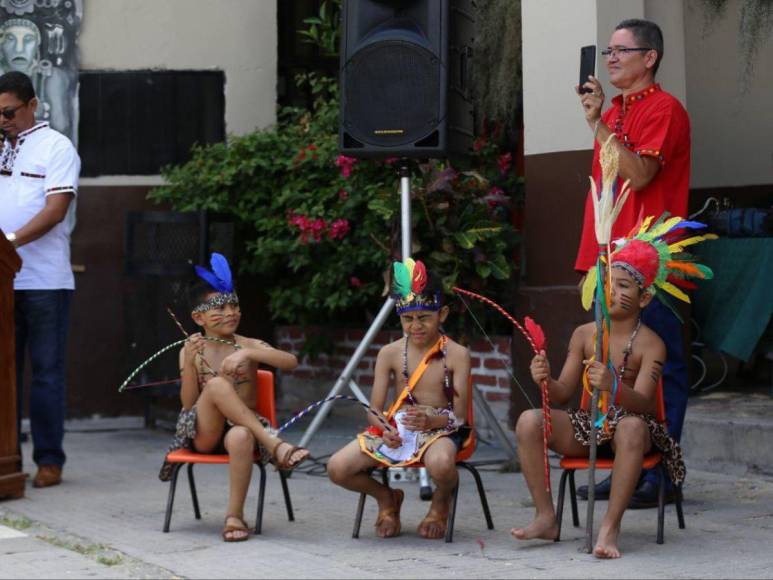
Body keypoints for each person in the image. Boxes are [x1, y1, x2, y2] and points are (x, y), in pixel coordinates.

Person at [512, 213, 714, 558]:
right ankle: (546, 516)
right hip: (587, 425)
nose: (611, 291)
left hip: (632, 429)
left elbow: (648, 406)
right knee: (529, 420)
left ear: (644, 298)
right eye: (608, 282)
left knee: (632, 427)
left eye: (623, 286)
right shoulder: (584, 335)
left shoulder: (652, 344)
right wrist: (544, 379)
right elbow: (562, 394)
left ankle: (609, 527)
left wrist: (613, 386)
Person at [575, 18, 692, 508]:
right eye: (608, 52)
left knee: (659, 364)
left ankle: (663, 472)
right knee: (613, 364)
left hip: (649, 261)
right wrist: (589, 262)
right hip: (608, 259)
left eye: (622, 51)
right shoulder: (617, 109)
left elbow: (640, 175)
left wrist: (597, 124)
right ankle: (625, 466)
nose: (611, 59)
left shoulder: (665, 108)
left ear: (650, 58)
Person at [158, 253, 310, 542]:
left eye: (234, 305)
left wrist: (250, 353)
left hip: (244, 429)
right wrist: (190, 364)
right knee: (215, 387)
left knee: (240, 436)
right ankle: (275, 445)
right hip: (203, 431)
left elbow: (290, 361)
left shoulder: (248, 345)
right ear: (198, 317)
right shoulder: (192, 348)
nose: (230, 313)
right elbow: (188, 403)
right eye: (220, 307)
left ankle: (234, 516)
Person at [327, 260, 472, 540]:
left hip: (440, 429)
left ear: (442, 314)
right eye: (408, 319)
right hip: (397, 428)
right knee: (337, 468)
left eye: (424, 317)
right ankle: (386, 497)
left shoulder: (457, 354)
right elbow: (374, 410)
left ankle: (441, 501)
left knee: (441, 464)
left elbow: (460, 416)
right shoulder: (389, 353)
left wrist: (433, 420)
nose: (415, 326)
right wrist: (385, 428)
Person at [0, 70, 80, 489]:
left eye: (9, 112)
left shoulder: (56, 146)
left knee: (46, 373)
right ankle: (7, 459)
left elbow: (55, 211)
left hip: (44, 282)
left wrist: (7, 243)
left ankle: (49, 460)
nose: (3, 120)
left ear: (32, 105)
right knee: (2, 375)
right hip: (2, 283)